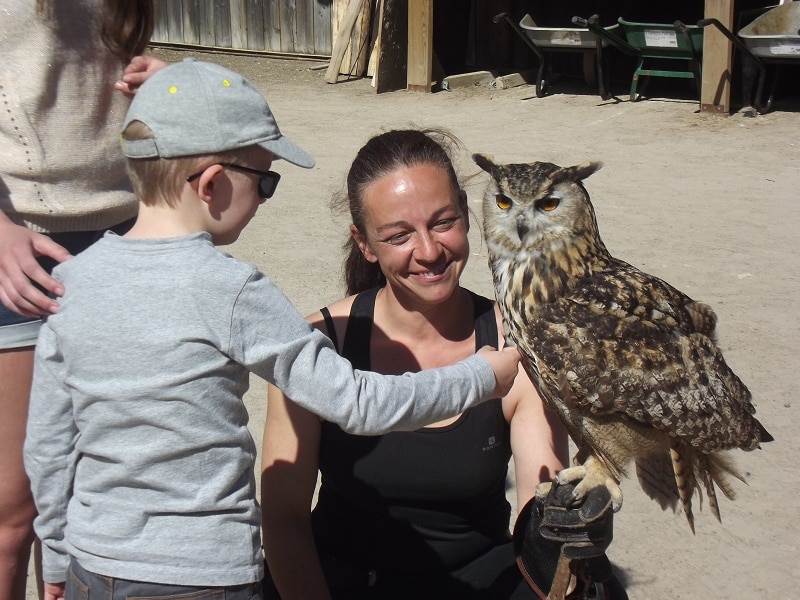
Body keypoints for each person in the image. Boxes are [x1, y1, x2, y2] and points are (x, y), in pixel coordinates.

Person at [22, 59, 521, 600]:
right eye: (265, 182)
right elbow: (357, 403)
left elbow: (49, 444)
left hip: (92, 565)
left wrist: (54, 553)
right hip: (203, 575)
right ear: (212, 184)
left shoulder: (70, 283)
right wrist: (479, 377)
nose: (263, 198)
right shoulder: (233, 291)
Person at [261, 128, 579, 599]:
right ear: (365, 243)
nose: (429, 251)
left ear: (469, 216)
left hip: (478, 581)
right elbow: (284, 518)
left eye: (443, 221)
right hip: (341, 582)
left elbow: (539, 504)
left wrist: (563, 533)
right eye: (398, 235)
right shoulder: (319, 345)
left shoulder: (519, 345)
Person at [0, 2, 165, 598]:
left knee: (109, 483)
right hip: (20, 245)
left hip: (126, 235)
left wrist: (165, 86)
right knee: (14, 515)